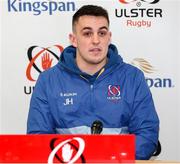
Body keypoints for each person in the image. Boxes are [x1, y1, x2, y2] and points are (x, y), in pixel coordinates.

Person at [27, 4, 159, 160]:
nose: (96, 40)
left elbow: (147, 136)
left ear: (109, 37)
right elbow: (38, 138)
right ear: (74, 39)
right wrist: (79, 157)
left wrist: (102, 156)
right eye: (87, 33)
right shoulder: (48, 80)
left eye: (102, 33)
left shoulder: (132, 77)